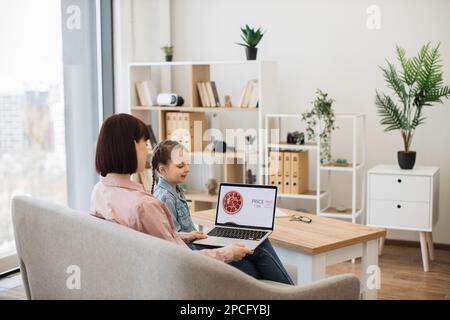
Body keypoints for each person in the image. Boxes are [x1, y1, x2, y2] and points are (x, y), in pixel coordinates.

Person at [151, 140, 294, 285]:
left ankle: (289, 293)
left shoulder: (176, 189)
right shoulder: (164, 197)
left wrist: (194, 235)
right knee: (257, 255)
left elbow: (175, 234)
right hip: (194, 254)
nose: (187, 169)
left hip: (197, 243)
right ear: (163, 170)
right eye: (181, 165)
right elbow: (174, 245)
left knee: (254, 244)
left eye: (188, 164)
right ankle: (293, 293)